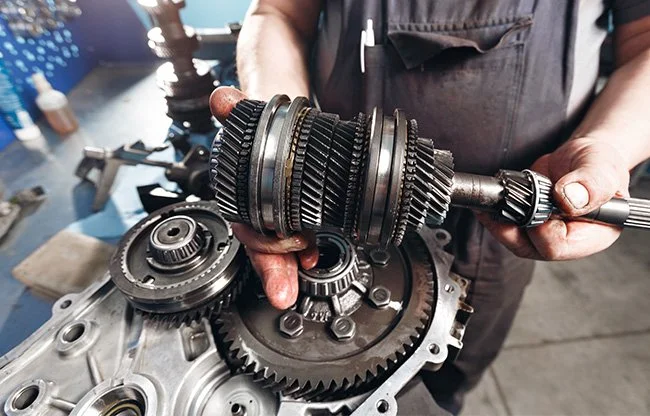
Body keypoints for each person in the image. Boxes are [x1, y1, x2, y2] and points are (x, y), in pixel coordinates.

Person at [210, 0, 650, 413]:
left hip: (504, 227)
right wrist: (281, 149)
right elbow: (278, 11)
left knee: (449, 373)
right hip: (334, 196)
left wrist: (604, 145)